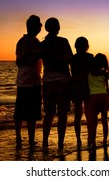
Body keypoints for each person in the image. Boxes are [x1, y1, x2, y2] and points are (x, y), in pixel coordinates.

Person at [41, 17, 73, 150]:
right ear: (57, 28)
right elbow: (70, 59)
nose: (60, 28)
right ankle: (60, 142)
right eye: (58, 26)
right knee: (62, 113)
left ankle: (45, 141)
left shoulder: (42, 44)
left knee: (49, 113)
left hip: (48, 81)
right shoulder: (63, 41)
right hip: (63, 81)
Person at [14, 15, 43, 147]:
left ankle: (18, 137)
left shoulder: (20, 41)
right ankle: (31, 140)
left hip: (21, 80)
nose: (41, 27)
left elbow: (18, 61)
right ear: (35, 27)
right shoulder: (35, 42)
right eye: (39, 25)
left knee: (19, 112)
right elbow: (29, 60)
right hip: (33, 81)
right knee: (32, 112)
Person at [70, 37, 94, 148]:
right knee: (89, 115)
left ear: (75, 46)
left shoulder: (73, 58)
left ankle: (78, 139)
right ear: (87, 46)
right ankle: (90, 137)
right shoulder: (90, 57)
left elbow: (73, 74)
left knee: (78, 115)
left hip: (76, 87)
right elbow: (92, 72)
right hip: (87, 87)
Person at [86, 53, 109, 149]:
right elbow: (107, 89)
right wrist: (108, 98)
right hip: (103, 96)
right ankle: (104, 140)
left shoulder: (89, 72)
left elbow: (87, 86)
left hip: (93, 97)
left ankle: (94, 141)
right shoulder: (105, 74)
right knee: (104, 120)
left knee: (93, 121)